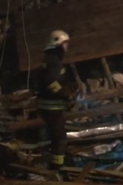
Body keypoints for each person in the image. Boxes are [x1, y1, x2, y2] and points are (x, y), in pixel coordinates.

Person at [36, 30, 78, 170]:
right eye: (65, 44)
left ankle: (51, 160)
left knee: (52, 135)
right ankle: (58, 166)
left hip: (46, 105)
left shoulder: (49, 58)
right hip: (51, 106)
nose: (67, 47)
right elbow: (51, 83)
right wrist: (65, 95)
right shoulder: (54, 61)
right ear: (57, 44)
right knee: (59, 137)